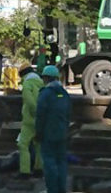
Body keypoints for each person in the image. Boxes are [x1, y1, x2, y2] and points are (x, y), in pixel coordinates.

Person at [35, 65, 71, 193]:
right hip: (62, 134)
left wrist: (38, 133)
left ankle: (52, 189)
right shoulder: (64, 94)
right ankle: (62, 189)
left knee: (49, 163)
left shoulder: (45, 94)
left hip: (48, 134)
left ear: (46, 78)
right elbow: (68, 114)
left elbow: (40, 116)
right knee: (61, 162)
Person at [18, 64, 43, 176]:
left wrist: (34, 113)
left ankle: (25, 171)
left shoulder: (27, 84)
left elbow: (29, 101)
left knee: (23, 145)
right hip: (41, 120)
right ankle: (39, 169)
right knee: (38, 145)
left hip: (29, 121)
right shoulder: (41, 83)